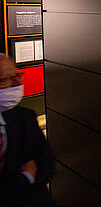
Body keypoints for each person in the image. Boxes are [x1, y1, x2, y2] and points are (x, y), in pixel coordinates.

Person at [0, 54, 55, 207]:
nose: (17, 83)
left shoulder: (25, 116)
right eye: (5, 80)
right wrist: (26, 177)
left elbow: (47, 165)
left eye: (18, 75)